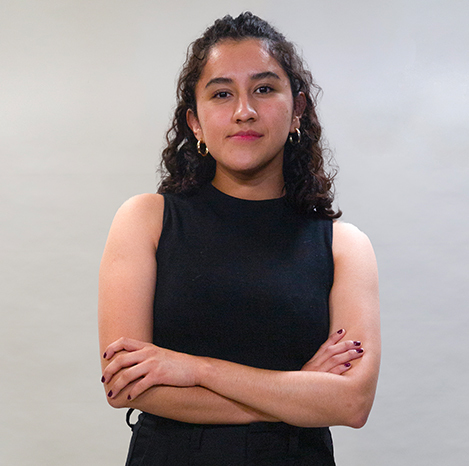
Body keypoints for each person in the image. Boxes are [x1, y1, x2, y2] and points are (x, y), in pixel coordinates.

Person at [98, 12, 380, 466]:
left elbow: (351, 403)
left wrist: (194, 368)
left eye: (264, 89)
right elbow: (126, 386)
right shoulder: (146, 220)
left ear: (298, 110)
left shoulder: (344, 246)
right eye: (222, 93)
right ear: (194, 122)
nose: (244, 111)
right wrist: (296, 391)